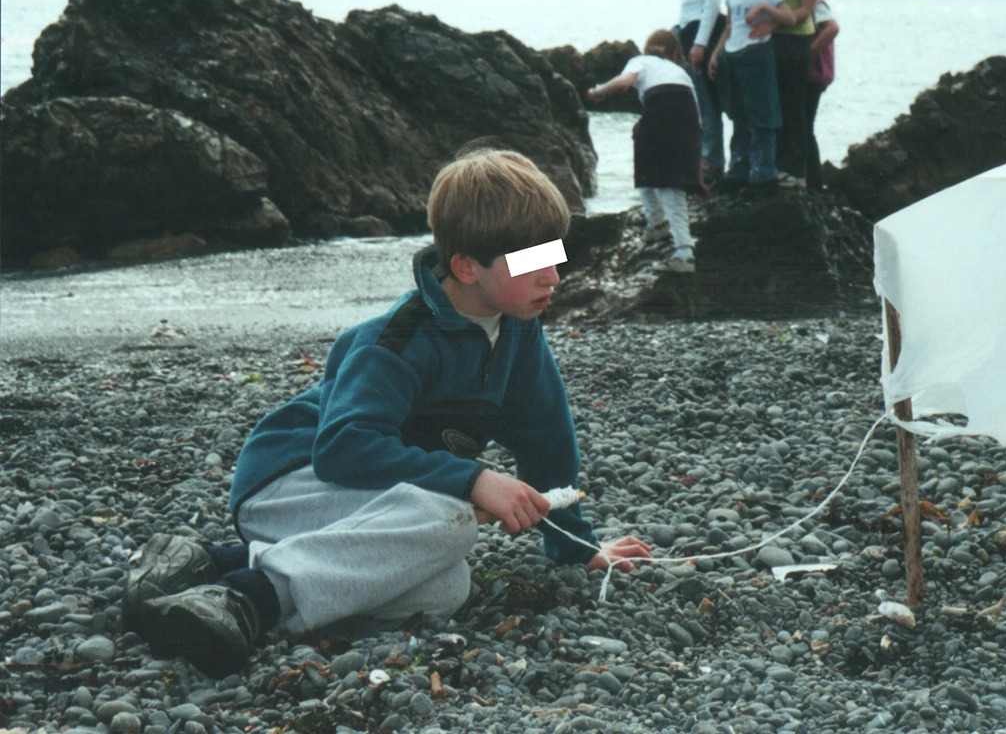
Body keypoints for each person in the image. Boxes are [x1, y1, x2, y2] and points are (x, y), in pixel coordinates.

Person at [121, 149, 654, 678]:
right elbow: (342, 448)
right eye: (530, 262)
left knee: (448, 588)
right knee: (450, 521)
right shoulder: (398, 339)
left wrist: (575, 546)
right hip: (290, 481)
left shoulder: (518, 330)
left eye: (555, 255)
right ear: (467, 265)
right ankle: (244, 599)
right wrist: (472, 479)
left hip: (370, 498)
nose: (553, 277)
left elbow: (547, 439)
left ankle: (211, 562)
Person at [588, 30, 702, 273]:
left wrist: (599, 91)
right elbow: (692, 115)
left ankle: (683, 250)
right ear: (674, 54)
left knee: (658, 178)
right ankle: (659, 226)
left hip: (660, 106)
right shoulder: (681, 72)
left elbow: (625, 82)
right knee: (663, 173)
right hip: (686, 114)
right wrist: (697, 170)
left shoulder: (641, 61)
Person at [708, 0, 796, 191]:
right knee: (739, 116)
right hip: (733, 56)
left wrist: (764, 9)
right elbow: (729, 27)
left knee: (763, 117)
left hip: (757, 56)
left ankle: (763, 172)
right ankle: (738, 169)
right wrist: (716, 53)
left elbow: (788, 18)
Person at [670, 0, 728, 185]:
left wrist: (700, 43)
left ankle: (712, 161)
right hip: (689, 32)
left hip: (700, 34)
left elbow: (712, 4)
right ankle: (705, 157)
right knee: (698, 100)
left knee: (707, 100)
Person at [770, 0, 821, 182]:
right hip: (774, 40)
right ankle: (777, 165)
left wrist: (776, 22)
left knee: (794, 108)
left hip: (797, 41)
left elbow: (805, 9)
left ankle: (797, 171)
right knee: (775, 106)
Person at [806, 0, 838, 189]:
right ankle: (812, 179)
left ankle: (814, 181)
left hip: (813, 76)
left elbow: (832, 28)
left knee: (805, 126)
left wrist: (809, 52)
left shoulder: (816, 5)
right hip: (810, 76)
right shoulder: (806, 4)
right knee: (804, 126)